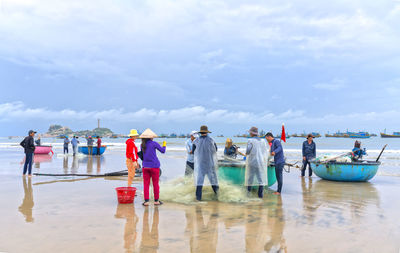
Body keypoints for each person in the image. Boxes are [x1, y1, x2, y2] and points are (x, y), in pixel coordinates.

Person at [140, 128, 166, 206]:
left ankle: (146, 201)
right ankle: (156, 201)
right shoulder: (154, 143)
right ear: (151, 137)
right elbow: (163, 151)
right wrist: (164, 145)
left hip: (145, 167)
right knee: (155, 184)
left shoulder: (142, 145)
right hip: (154, 166)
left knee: (146, 184)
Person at [192, 125, 219, 201]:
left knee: (199, 182)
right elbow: (215, 150)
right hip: (210, 164)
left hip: (201, 165)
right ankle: (218, 197)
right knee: (213, 181)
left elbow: (193, 151)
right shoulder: (211, 140)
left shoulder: (196, 141)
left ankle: (198, 199)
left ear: (200, 132)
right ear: (207, 132)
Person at [245, 127, 268, 198]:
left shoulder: (250, 140)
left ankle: (248, 194)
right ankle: (260, 195)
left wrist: (246, 154)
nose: (249, 133)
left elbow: (248, 151)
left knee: (250, 179)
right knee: (260, 179)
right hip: (260, 162)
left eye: (250, 132)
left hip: (252, 162)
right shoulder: (263, 141)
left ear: (252, 133)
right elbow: (265, 152)